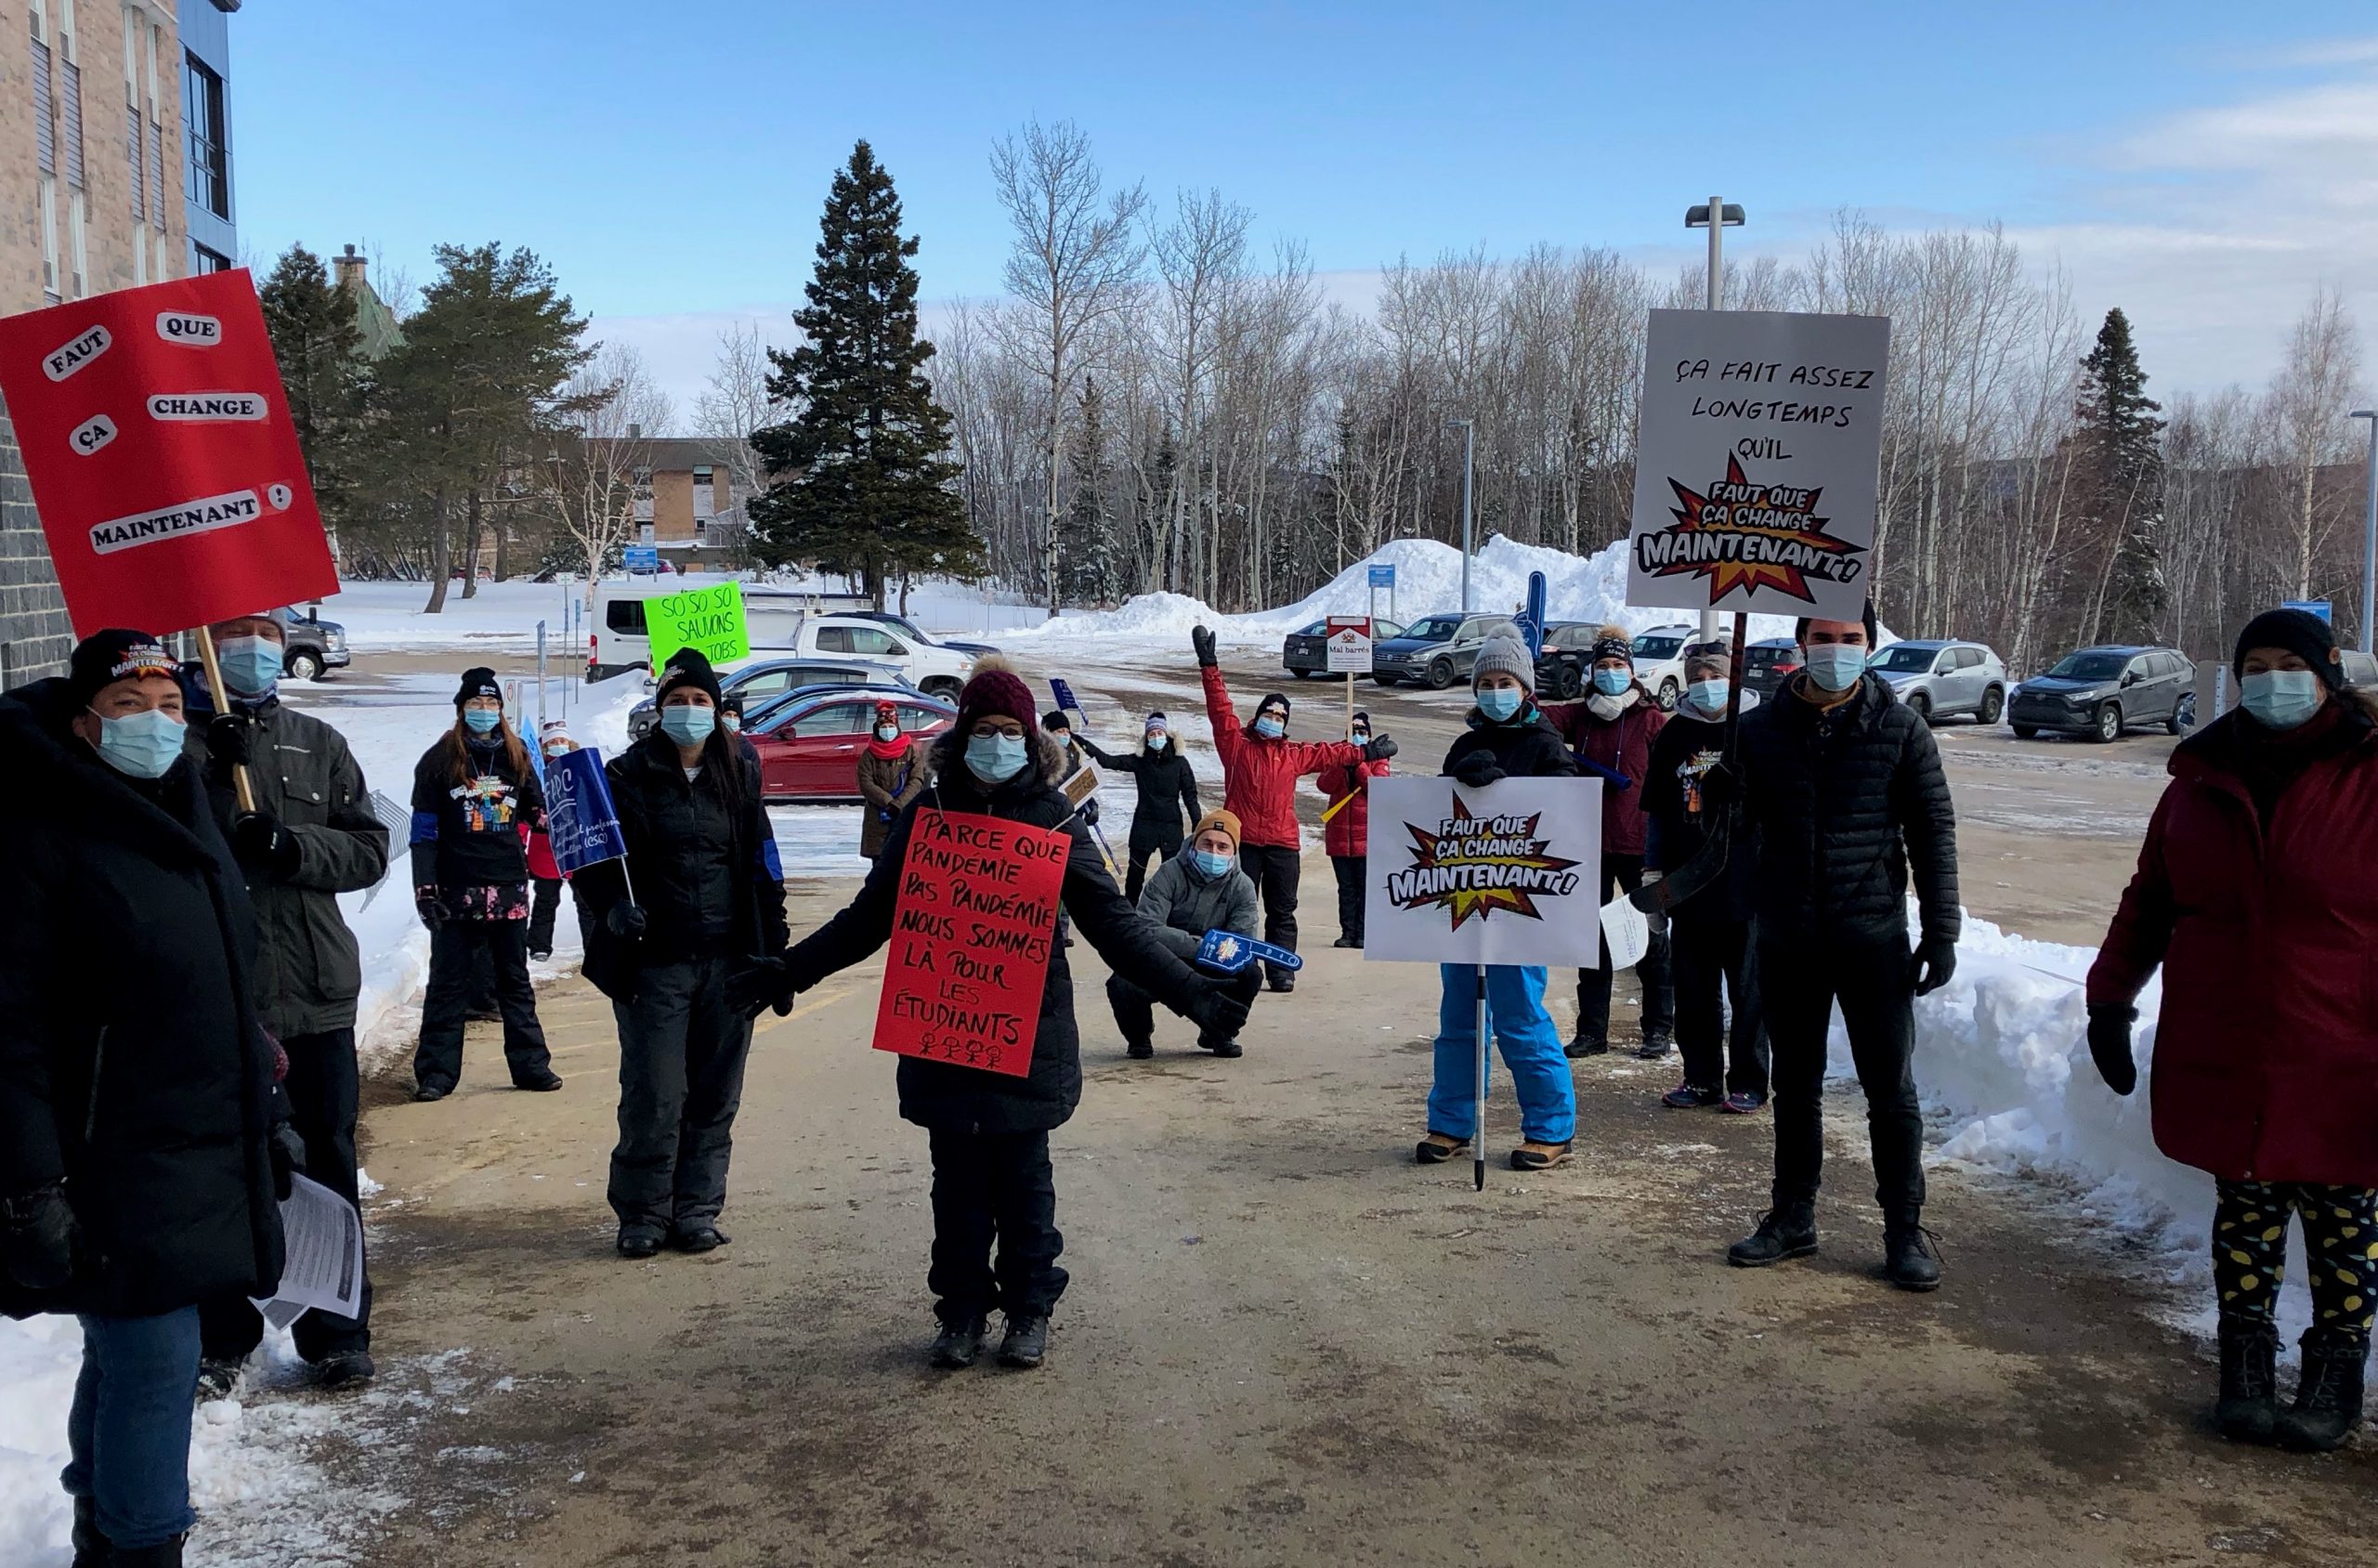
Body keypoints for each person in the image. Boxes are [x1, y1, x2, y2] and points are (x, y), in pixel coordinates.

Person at [731, 658, 1252, 1371]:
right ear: (963, 735)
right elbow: (868, 918)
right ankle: (962, 1312)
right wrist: (793, 968)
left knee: (1025, 1186)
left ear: (1030, 740)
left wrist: (1192, 995)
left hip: (1027, 1037)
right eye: (985, 729)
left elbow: (1117, 927)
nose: (998, 742)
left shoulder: (1054, 819)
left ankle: (1029, 1309)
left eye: (1011, 731)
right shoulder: (929, 816)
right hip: (944, 1032)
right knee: (958, 1189)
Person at [0, 630, 291, 1568]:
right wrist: (29, 1183)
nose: (157, 724)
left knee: (133, 1353)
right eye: (131, 707)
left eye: (171, 704)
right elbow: (10, 1029)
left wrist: (261, 1104)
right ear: (84, 723)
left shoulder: (185, 804)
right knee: (157, 1355)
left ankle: (100, 1520)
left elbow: (220, 977)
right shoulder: (39, 830)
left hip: (198, 1143)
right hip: (107, 1158)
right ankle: (140, 1544)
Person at [2085, 608, 2378, 1451]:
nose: (2272, 679)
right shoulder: (2199, 781)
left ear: (2327, 674)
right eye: (2257, 663)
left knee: (2340, 1217)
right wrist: (2110, 997)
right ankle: (2244, 1365)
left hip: (2342, 1045)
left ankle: (2334, 1371)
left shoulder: (2368, 775)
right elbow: (2149, 902)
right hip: (2227, 1037)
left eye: (2291, 662)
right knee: (2244, 1209)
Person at [1725, 603, 1957, 1291]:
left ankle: (1904, 1230)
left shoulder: (1901, 729)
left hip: (1872, 938)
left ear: (1869, 647)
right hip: (1789, 937)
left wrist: (1942, 929)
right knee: (1795, 1087)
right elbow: (1732, 838)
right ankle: (1792, 1216)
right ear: (1800, 644)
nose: (1835, 650)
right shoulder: (1758, 732)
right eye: (1822, 639)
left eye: (1849, 640)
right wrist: (1722, 799)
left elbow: (1932, 832)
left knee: (1892, 1091)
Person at [186, 610, 388, 1400]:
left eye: (267, 637)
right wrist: (205, 771)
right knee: (224, 1169)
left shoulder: (318, 741)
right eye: (236, 636)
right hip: (221, 993)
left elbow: (371, 846)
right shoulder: (181, 738)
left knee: (327, 1162)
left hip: (313, 991)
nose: (255, 651)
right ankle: (222, 1336)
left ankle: (337, 1332)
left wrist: (293, 848)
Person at [575, 649, 790, 1259]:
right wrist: (613, 906)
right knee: (655, 1094)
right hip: (655, 964)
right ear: (659, 709)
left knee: (714, 1095)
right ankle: (643, 1212)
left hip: (729, 963)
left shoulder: (740, 772)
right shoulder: (626, 776)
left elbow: (762, 865)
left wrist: (776, 953)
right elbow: (590, 857)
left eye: (700, 701)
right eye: (678, 701)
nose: (690, 711)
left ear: (718, 710)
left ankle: (696, 1208)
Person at [1415, 637, 1582, 1171]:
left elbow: (1564, 809)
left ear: (1525, 688)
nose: (1494, 693)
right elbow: (1438, 813)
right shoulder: (1465, 744)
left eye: (1504, 684)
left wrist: (1508, 788)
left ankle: (1551, 1128)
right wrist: (1458, 782)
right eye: (1485, 685)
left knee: (1519, 1016)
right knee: (1459, 1016)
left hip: (1520, 905)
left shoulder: (1546, 743)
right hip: (1463, 902)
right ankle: (1451, 1121)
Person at [1191, 625, 1396, 992]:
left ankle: (1280, 970)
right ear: (1258, 716)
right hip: (1245, 842)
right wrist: (1210, 666)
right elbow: (1220, 710)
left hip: (1284, 844)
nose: (1275, 718)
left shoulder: (1292, 754)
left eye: (1281, 715)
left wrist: (1366, 752)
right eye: (1270, 712)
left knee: (1282, 911)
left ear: (1286, 723)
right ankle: (1235, 967)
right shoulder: (1236, 747)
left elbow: (1330, 753)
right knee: (1239, 908)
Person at [409, 668, 562, 1101]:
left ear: (501, 710)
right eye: (475, 704)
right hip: (457, 890)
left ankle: (531, 1066)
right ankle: (436, 1073)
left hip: (508, 887)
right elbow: (423, 833)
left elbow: (537, 811)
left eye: (491, 704)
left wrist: (561, 816)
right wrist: (425, 889)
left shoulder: (517, 758)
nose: (484, 711)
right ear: (461, 710)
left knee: (513, 980)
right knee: (448, 983)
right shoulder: (439, 762)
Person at [1640, 643, 1769, 1114]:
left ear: (1732, 677)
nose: (1705, 682)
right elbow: (1656, 809)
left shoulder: (1757, 729)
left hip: (1745, 883)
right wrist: (1653, 874)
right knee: (1694, 990)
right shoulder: (1676, 733)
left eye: (1714, 673)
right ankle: (1700, 1078)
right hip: (1688, 881)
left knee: (1750, 991)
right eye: (1696, 675)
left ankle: (1750, 1081)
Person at [1541, 625, 1674, 1058]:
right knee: (1592, 940)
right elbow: (1533, 717)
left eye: (1619, 666)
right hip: (1590, 846)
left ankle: (1657, 1030)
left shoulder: (1652, 721)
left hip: (1642, 846)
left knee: (1650, 940)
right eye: (1603, 666)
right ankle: (1592, 1031)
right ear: (1591, 672)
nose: (1611, 673)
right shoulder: (1579, 716)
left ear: (1632, 672)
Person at [1109, 810, 1262, 1058]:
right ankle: (1138, 1037)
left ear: (1233, 851)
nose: (1213, 852)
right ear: (1194, 842)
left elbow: (1240, 940)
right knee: (1122, 980)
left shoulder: (1243, 886)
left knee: (1249, 973)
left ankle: (1219, 1032)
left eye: (1222, 846)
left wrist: (1218, 951)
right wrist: (1199, 946)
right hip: (1163, 958)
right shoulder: (1169, 873)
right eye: (1207, 843)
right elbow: (1147, 926)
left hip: (1214, 961)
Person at [1077, 710, 1202, 904]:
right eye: (1151, 734)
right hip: (1144, 825)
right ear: (1146, 738)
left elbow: (1190, 796)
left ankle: (1170, 913)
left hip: (1171, 826)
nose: (1156, 737)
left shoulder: (1180, 763)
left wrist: (1198, 826)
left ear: (1166, 734)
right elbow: (1107, 761)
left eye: (1159, 733)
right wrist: (1081, 742)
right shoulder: (1140, 761)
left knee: (1173, 876)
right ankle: (1130, 912)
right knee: (1135, 876)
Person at [1316, 711, 1389, 947]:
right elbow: (1324, 784)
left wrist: (1359, 765)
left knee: (1365, 887)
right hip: (1339, 835)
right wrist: (1342, 764)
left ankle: (1364, 933)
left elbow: (1378, 790)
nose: (1358, 736)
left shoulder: (1378, 759)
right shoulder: (1339, 755)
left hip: (1366, 836)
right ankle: (1348, 932)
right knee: (1346, 888)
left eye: (1362, 732)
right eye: (1353, 732)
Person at [527, 718, 578, 961]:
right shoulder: (535, 774)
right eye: (553, 742)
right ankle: (539, 945)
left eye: (562, 741)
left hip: (577, 845)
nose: (558, 745)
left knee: (587, 901)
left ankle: (593, 945)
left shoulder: (579, 768)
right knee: (546, 900)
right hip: (545, 848)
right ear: (544, 747)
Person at [856, 698, 933, 861]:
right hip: (877, 817)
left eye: (891, 727)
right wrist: (887, 801)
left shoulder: (910, 751)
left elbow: (916, 780)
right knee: (879, 862)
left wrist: (899, 804)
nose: (888, 730)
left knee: (902, 859)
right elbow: (866, 782)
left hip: (904, 812)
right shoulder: (869, 755)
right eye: (884, 727)